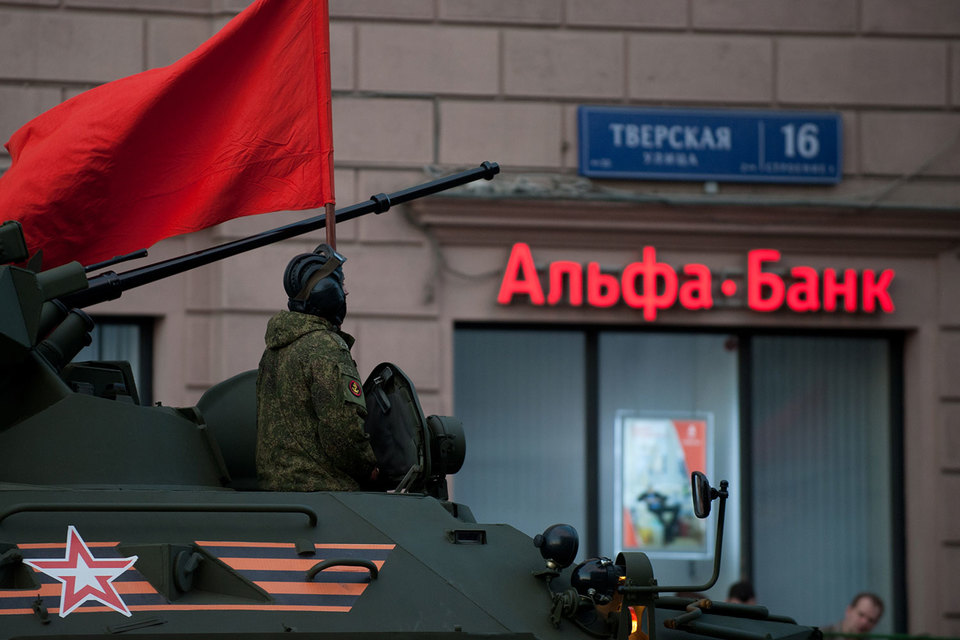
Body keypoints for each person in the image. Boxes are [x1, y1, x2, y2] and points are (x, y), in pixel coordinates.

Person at [256, 244, 378, 491]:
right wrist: (370, 469)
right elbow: (341, 431)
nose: (345, 293)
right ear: (329, 294)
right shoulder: (324, 347)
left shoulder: (274, 349)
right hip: (324, 492)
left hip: (278, 494)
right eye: (341, 287)